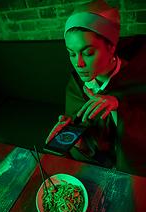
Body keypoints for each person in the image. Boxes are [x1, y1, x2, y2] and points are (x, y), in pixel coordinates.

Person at [46, 0, 146, 177]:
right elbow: (94, 151)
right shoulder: (76, 85)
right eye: (71, 53)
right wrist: (77, 141)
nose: (79, 63)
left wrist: (119, 107)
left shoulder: (139, 77)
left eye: (88, 52)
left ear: (111, 47)